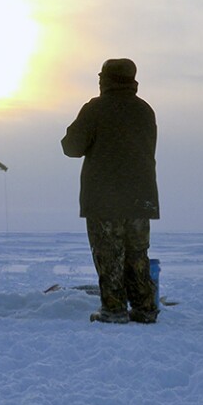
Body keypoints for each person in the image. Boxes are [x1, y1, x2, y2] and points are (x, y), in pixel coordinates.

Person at [61, 58, 160, 324]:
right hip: (142, 198)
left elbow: (71, 147)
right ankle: (145, 308)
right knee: (138, 254)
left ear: (105, 80)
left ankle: (114, 309)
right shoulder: (145, 110)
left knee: (109, 254)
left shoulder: (96, 109)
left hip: (105, 198)